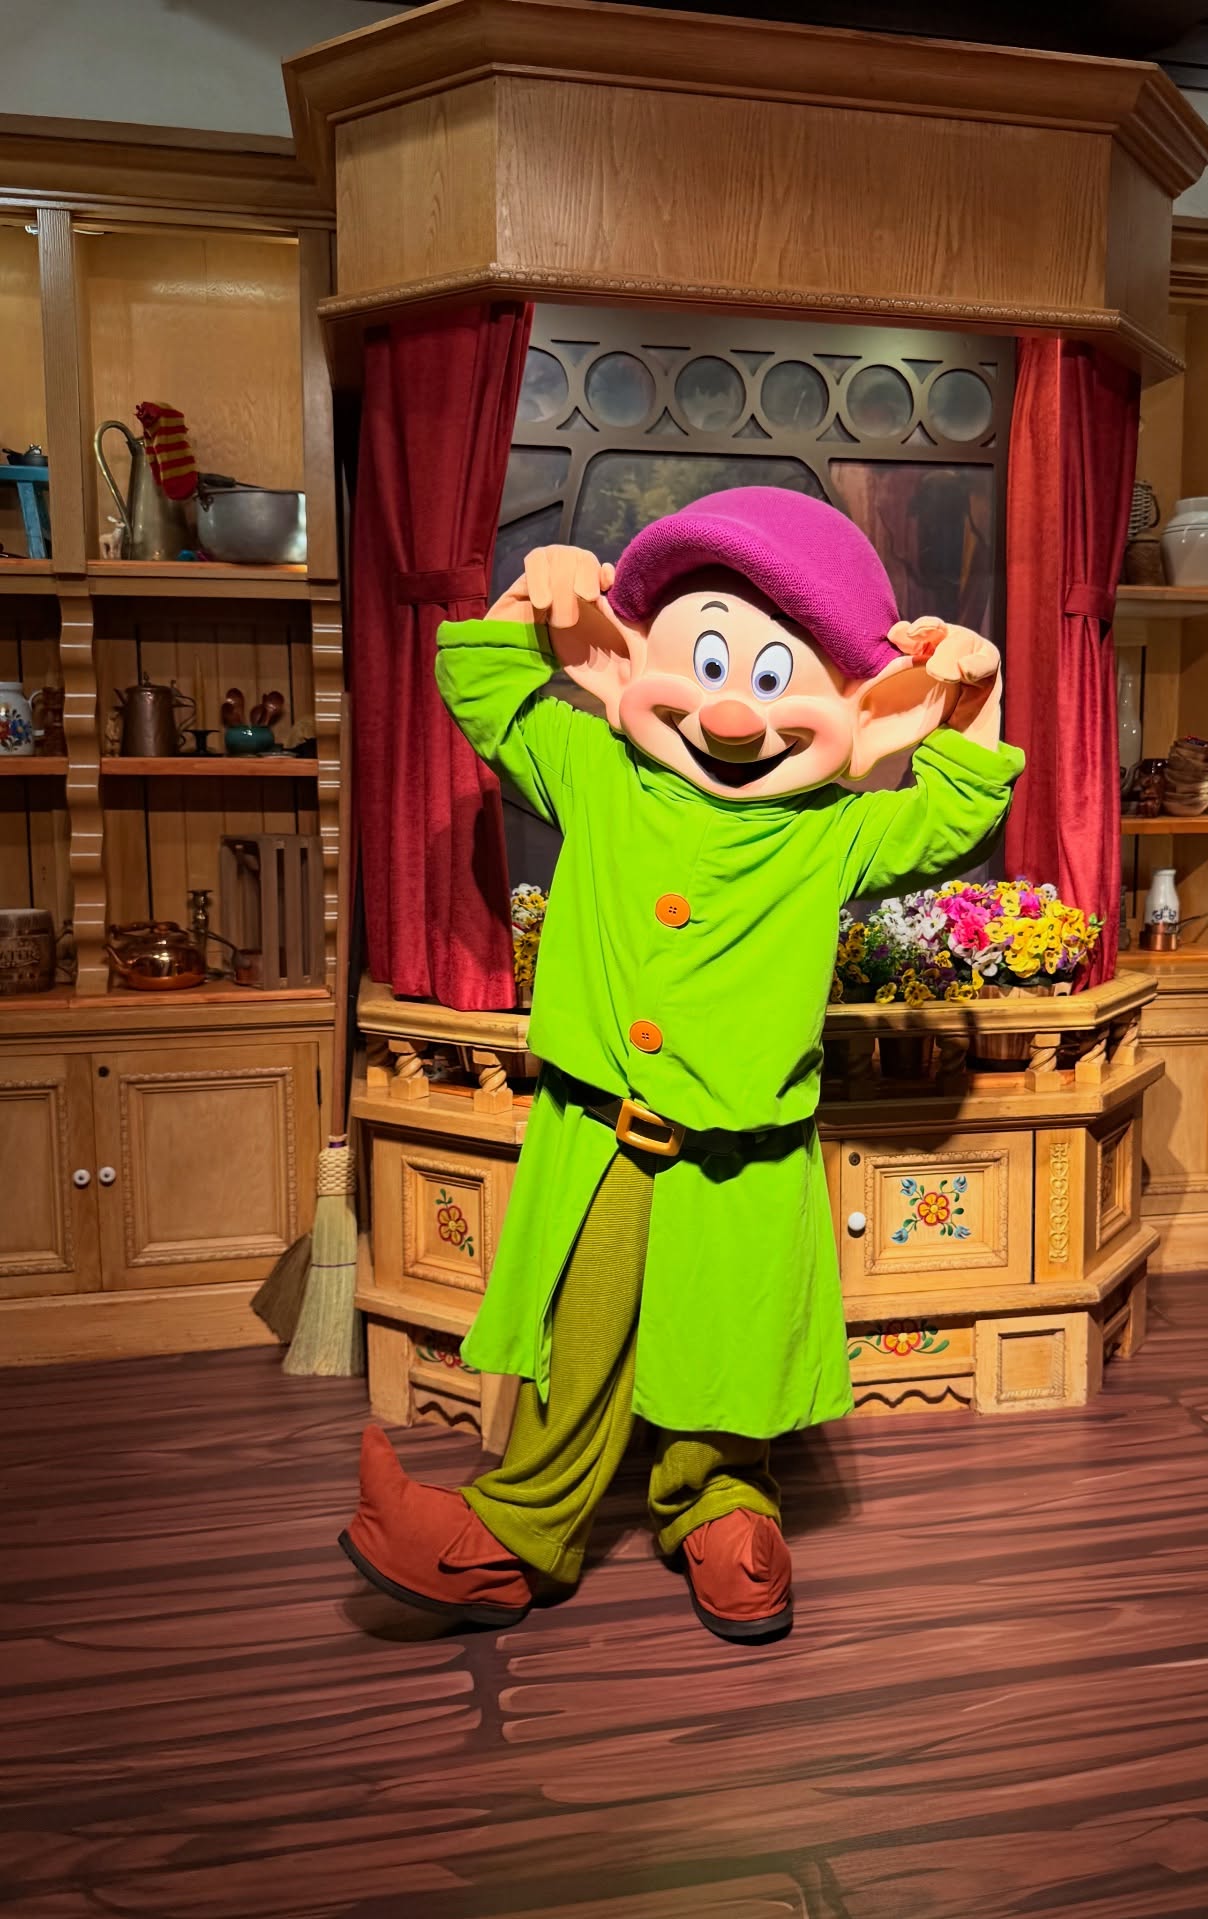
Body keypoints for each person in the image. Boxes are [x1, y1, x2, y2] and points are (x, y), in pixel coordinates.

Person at [342, 486, 1022, 1641]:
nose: (734, 713)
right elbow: (489, 695)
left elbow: (954, 818)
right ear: (628, 659)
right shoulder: (596, 770)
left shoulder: (832, 829)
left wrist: (976, 693)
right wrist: (529, 598)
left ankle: (721, 1504)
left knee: (727, 1344)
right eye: (707, 663)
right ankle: (518, 1528)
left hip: (740, 1155)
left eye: (770, 678)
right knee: (578, 1337)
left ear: (860, 711)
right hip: (599, 1134)